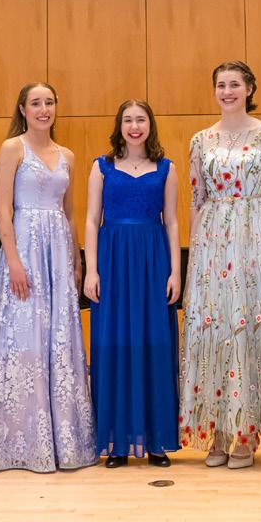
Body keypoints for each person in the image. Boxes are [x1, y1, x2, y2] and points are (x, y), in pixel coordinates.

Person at [0, 82, 97, 473]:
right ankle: (19, 440)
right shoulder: (13, 148)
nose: (43, 109)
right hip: (24, 247)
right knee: (24, 335)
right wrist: (12, 261)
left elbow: (70, 212)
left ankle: (64, 440)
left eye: (49, 103)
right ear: (23, 109)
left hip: (58, 253)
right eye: (36, 103)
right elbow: (2, 210)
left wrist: (76, 260)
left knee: (58, 337)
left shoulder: (68, 155)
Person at [180, 61, 261, 470]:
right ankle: (216, 431)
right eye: (221, 85)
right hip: (212, 244)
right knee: (213, 331)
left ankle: (245, 432)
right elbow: (196, 200)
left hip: (255, 240)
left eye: (235, 84)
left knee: (248, 329)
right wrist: (195, 261)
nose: (227, 91)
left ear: (249, 88)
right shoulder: (200, 139)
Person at [84, 100, 181, 468]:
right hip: (112, 261)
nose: (135, 126)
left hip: (153, 261)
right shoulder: (102, 167)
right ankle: (117, 442)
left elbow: (172, 221)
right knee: (114, 346)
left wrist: (175, 272)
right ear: (119, 125)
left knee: (155, 344)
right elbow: (91, 220)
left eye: (141, 120)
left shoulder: (166, 168)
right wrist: (91, 271)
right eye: (128, 120)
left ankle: (157, 441)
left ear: (150, 125)